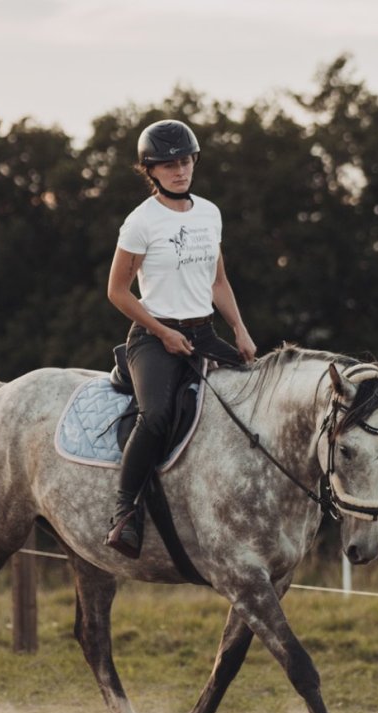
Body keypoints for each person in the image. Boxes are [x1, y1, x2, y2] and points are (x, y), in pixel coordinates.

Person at [105, 119, 257, 558]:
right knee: (156, 415)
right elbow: (117, 291)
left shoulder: (210, 213)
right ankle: (125, 513)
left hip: (203, 332)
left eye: (186, 161)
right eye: (168, 165)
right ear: (150, 170)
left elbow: (218, 281)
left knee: (256, 393)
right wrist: (162, 332)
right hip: (153, 337)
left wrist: (240, 330)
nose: (179, 170)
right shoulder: (140, 222)